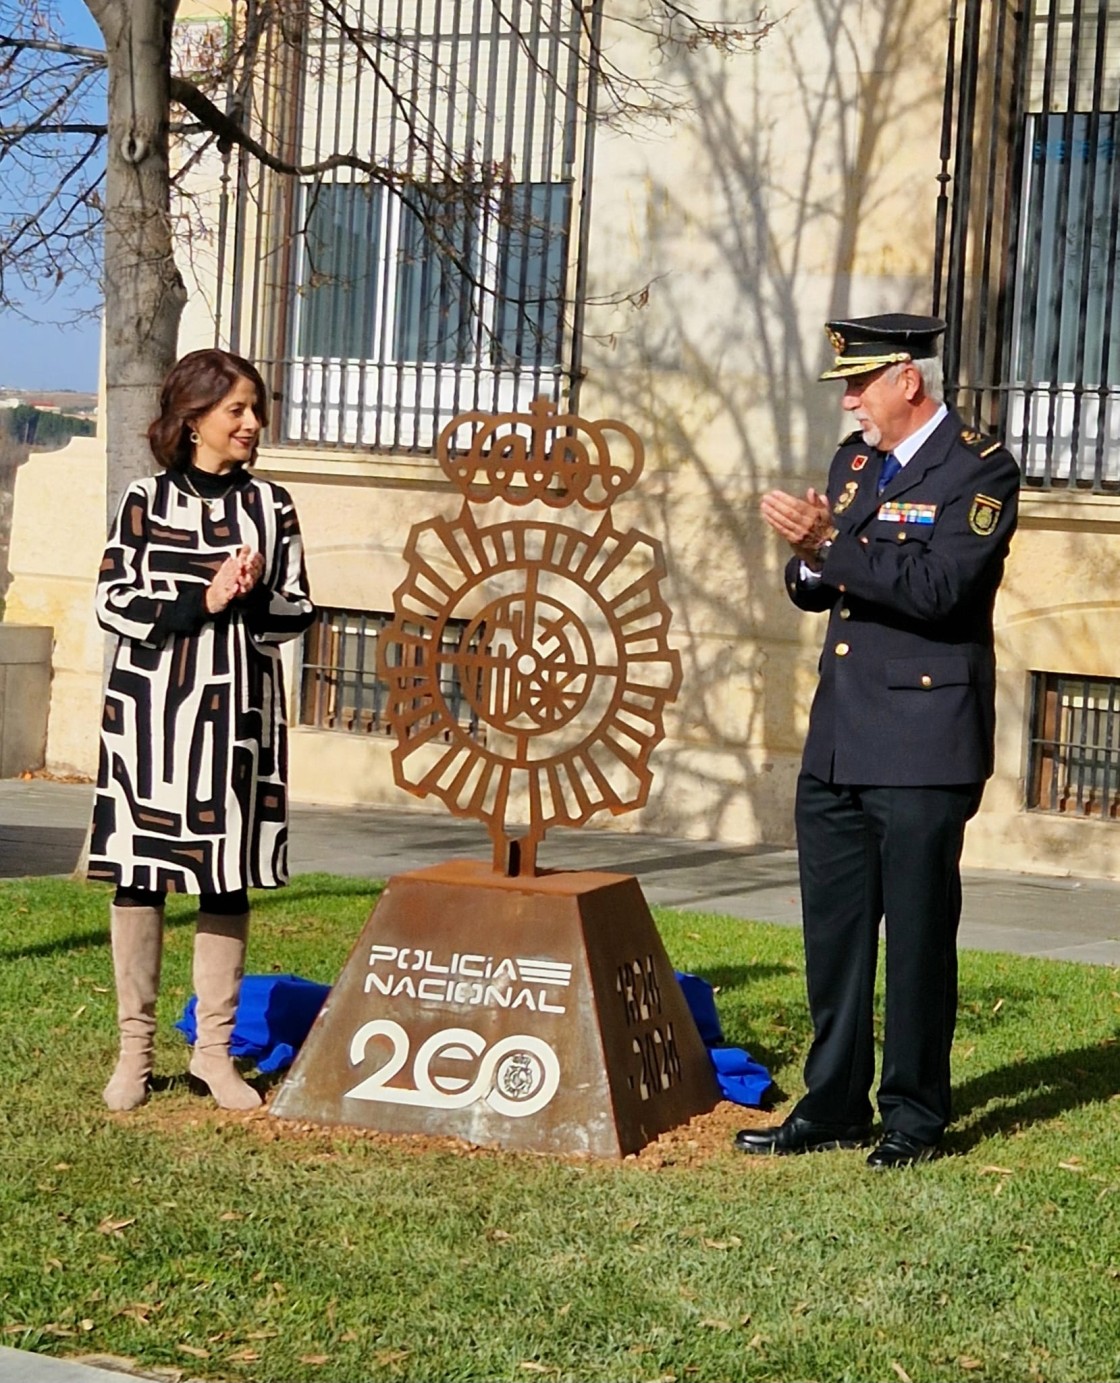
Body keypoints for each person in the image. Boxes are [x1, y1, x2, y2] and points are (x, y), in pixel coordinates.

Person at [741, 313, 1019, 1168]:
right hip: (841, 737)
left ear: (909, 379)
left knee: (920, 936)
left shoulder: (979, 467)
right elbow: (822, 587)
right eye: (846, 388)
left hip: (925, 740)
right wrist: (809, 555)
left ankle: (912, 1113)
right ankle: (831, 1103)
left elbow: (939, 589)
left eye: (860, 384)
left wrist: (832, 543)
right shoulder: (856, 463)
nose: (851, 403)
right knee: (835, 933)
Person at [90, 348, 315, 1113]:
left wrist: (249, 599)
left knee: (225, 874)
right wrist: (202, 598)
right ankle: (134, 1053)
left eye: (256, 408)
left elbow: (297, 608)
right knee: (140, 873)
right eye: (237, 410)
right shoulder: (143, 500)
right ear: (194, 420)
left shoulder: (274, 506)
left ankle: (213, 1055)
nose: (253, 423)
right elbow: (112, 599)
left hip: (237, 716)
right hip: (150, 713)